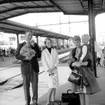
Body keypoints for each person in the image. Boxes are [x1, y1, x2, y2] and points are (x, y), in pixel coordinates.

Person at [68, 35, 101, 105]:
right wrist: (73, 64)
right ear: (74, 42)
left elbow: (90, 61)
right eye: (75, 42)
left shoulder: (85, 48)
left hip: (85, 74)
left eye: (78, 41)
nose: (77, 43)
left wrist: (81, 63)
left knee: (86, 92)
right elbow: (70, 61)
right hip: (76, 74)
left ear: (80, 41)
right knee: (80, 92)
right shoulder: (73, 51)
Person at [15, 30, 41, 105]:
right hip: (25, 68)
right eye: (28, 35)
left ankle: (35, 100)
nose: (30, 36)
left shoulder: (35, 45)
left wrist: (33, 48)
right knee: (26, 86)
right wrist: (25, 57)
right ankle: (27, 101)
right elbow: (17, 55)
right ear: (25, 36)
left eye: (31, 35)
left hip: (34, 68)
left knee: (35, 85)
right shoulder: (20, 45)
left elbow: (39, 54)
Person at [41, 38, 59, 105]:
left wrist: (54, 67)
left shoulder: (55, 50)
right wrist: (49, 70)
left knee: (54, 86)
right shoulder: (44, 52)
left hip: (54, 70)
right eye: (47, 42)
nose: (49, 44)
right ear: (45, 44)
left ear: (52, 43)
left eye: (50, 42)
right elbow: (44, 62)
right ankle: (48, 101)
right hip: (49, 71)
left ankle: (53, 100)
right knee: (51, 86)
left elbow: (57, 60)